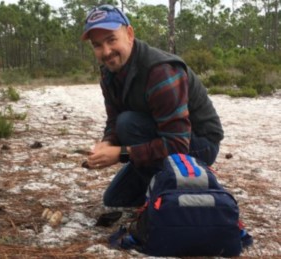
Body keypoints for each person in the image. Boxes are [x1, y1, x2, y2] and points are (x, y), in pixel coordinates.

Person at [81, 4, 224, 207]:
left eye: (111, 39)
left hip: (199, 144)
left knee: (128, 123)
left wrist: (122, 153)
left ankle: (176, 191)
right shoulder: (108, 74)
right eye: (97, 45)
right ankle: (161, 185)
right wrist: (108, 142)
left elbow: (177, 144)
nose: (106, 52)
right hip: (159, 134)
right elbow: (113, 119)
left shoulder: (160, 71)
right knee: (116, 200)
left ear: (129, 34)